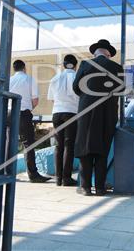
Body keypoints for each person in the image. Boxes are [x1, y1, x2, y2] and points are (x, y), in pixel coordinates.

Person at [73, 39, 124, 196]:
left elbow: (76, 87)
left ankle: (86, 187)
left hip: (87, 111)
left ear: (95, 53)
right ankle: (100, 188)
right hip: (108, 112)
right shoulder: (117, 67)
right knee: (102, 149)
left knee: (85, 148)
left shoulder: (85, 65)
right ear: (108, 54)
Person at [9, 59, 50, 183]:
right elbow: (35, 100)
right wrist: (29, 110)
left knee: (7, 143)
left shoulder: (9, 80)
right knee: (28, 144)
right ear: (24, 68)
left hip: (9, 113)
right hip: (23, 113)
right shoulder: (29, 79)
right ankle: (33, 175)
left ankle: (6, 173)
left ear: (14, 69)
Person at [47, 54, 79, 187]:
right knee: (69, 145)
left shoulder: (55, 78)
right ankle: (66, 178)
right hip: (71, 112)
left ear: (63, 65)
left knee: (58, 145)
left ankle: (58, 178)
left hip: (57, 113)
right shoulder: (77, 77)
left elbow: (52, 99)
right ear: (75, 65)